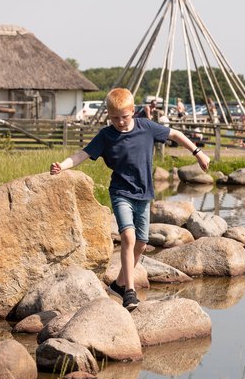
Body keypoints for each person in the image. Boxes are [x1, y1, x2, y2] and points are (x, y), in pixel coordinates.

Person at [49, 88, 210, 311]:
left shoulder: (146, 128)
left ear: (133, 111)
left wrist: (198, 152)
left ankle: (119, 283)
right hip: (121, 193)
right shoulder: (106, 135)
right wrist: (62, 165)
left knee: (142, 244)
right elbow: (82, 154)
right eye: (114, 118)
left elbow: (175, 134)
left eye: (124, 117)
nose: (120, 122)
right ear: (108, 115)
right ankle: (129, 292)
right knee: (128, 236)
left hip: (143, 194)